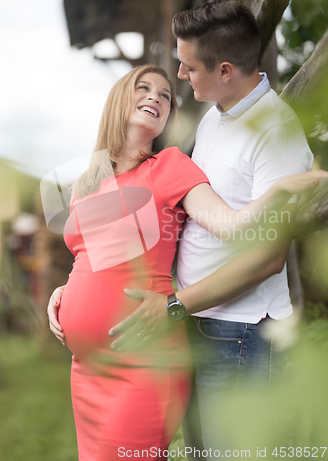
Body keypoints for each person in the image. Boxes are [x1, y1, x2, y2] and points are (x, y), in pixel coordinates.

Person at [47, 62, 324, 460]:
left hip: (142, 361)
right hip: (87, 369)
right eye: (144, 88)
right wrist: (64, 293)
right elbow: (89, 258)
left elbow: (232, 226)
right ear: (118, 99)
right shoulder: (86, 184)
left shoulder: (169, 167)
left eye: (164, 96)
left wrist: (277, 190)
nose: (155, 98)